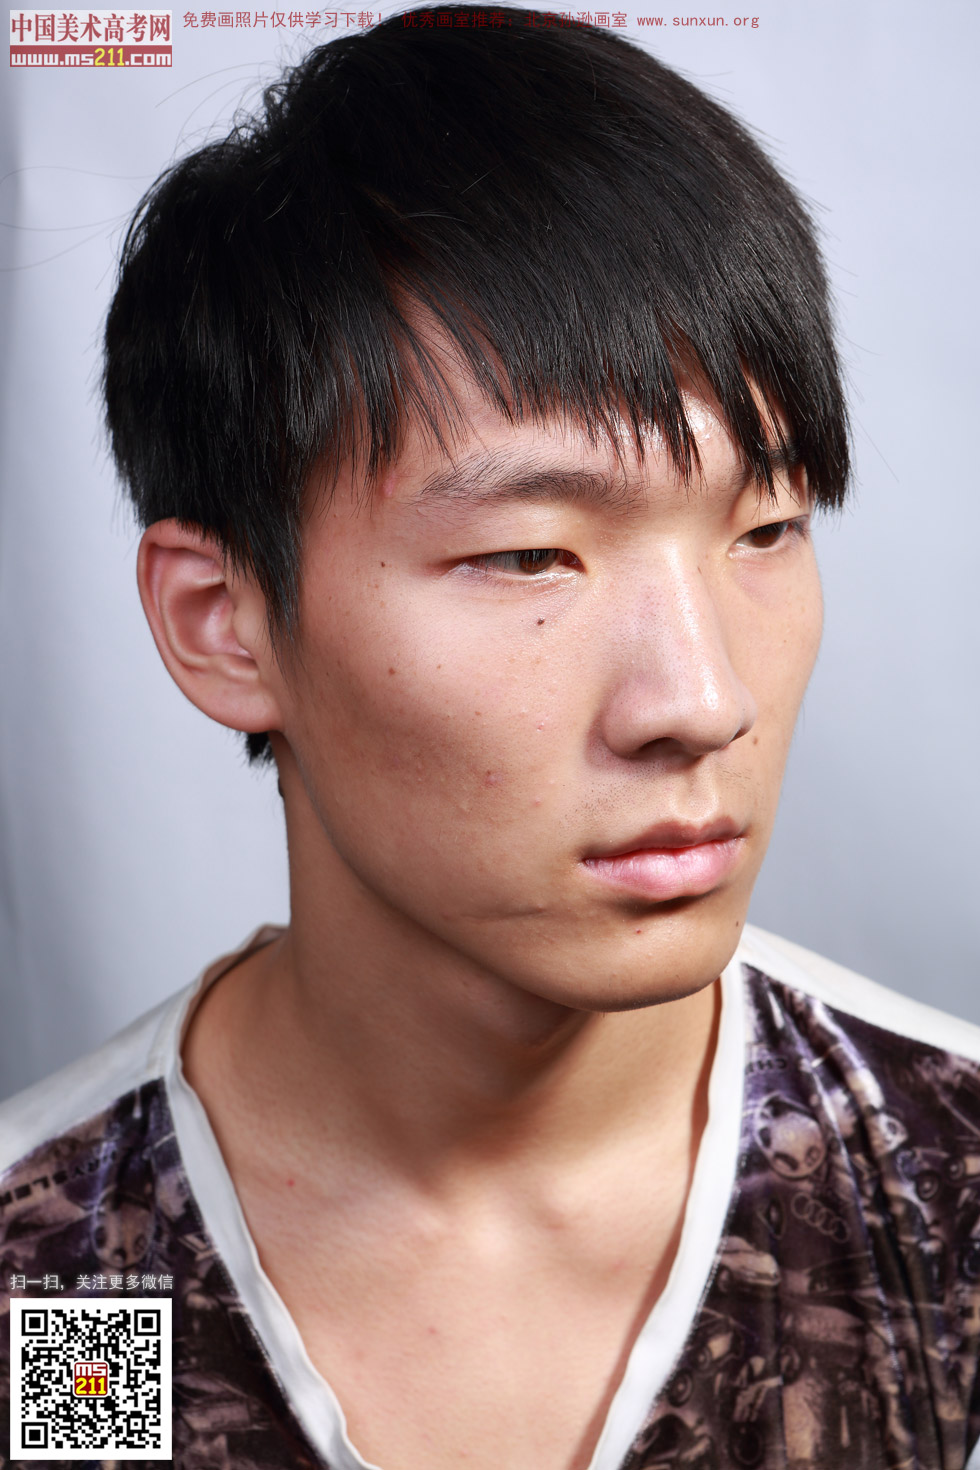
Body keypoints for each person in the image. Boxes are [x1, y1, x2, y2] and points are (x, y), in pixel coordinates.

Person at [2, 5, 979, 1467]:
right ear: (225, 622)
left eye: (766, 528)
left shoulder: (943, 1199)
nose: (703, 697)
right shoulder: (71, 1277)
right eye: (530, 555)